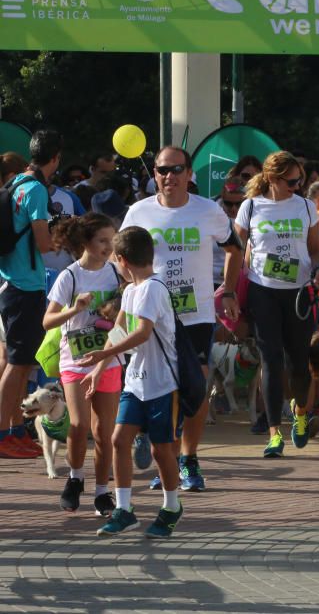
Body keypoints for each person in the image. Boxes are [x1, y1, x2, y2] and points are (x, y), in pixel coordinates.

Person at [121, 146, 243, 490]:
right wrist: (132, 294)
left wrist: (229, 289)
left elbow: (234, 248)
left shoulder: (208, 211)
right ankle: (167, 458)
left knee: (195, 389)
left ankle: (189, 459)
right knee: (161, 389)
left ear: (190, 174)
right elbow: (121, 257)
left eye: (176, 170)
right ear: (154, 173)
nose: (169, 176)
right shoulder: (138, 212)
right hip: (153, 318)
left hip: (197, 315)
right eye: (162, 170)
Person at [81, 227, 184, 538]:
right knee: (118, 440)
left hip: (163, 384)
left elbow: (142, 332)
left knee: (161, 451)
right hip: (136, 383)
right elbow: (120, 329)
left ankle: (171, 507)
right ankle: (125, 510)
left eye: (115, 259)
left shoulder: (153, 288)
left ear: (122, 259)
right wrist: (100, 368)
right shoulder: (129, 291)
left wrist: (107, 352)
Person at [235, 151, 319, 457]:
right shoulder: (250, 207)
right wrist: (230, 289)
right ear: (272, 179)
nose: (297, 185)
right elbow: (236, 251)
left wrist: (318, 272)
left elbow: (315, 250)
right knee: (270, 359)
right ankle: (274, 433)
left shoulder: (304, 205)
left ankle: (300, 414)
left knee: (298, 363)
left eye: (300, 179)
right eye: (291, 180)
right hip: (263, 290)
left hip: (298, 292)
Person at [43, 213, 123, 514]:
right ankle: (76, 478)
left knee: (105, 431)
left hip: (109, 359)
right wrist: (74, 309)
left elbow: (125, 314)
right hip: (75, 360)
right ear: (85, 242)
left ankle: (102, 492)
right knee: (78, 425)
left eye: (112, 240)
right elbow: (48, 319)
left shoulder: (116, 273)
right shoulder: (71, 276)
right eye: (103, 240)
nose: (108, 246)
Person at [0, 129, 60, 459]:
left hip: (11, 281)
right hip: (24, 285)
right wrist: (64, 237)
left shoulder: (15, 183)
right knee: (16, 364)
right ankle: (3, 433)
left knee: (21, 364)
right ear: (56, 158)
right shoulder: (35, 189)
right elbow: (42, 242)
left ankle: (13, 430)